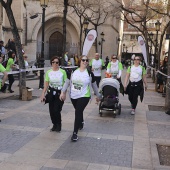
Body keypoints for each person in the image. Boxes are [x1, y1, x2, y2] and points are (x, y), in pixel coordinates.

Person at [60, 55, 101, 142]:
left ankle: (75, 133)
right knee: (79, 111)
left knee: (78, 111)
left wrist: (98, 96)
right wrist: (63, 92)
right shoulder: (73, 71)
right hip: (73, 95)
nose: (85, 62)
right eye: (83, 60)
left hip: (84, 95)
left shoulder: (89, 73)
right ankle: (81, 122)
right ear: (80, 61)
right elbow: (67, 82)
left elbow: (94, 86)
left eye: (87, 60)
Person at [40, 56, 67, 132]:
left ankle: (59, 125)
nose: (55, 64)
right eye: (53, 62)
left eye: (57, 62)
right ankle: (54, 124)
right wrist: (43, 94)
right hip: (51, 93)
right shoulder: (49, 72)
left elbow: (65, 84)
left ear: (59, 63)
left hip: (59, 93)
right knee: (51, 110)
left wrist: (64, 94)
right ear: (51, 63)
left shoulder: (62, 72)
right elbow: (46, 85)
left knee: (57, 110)